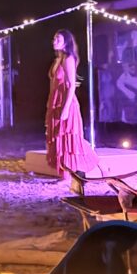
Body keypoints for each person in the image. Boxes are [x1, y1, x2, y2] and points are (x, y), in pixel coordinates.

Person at [45, 29, 98, 181]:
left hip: (66, 101)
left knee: (69, 136)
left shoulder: (68, 59)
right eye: (54, 38)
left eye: (58, 39)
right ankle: (64, 174)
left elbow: (71, 85)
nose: (54, 41)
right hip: (56, 100)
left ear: (66, 42)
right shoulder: (57, 60)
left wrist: (66, 108)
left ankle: (71, 174)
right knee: (57, 135)